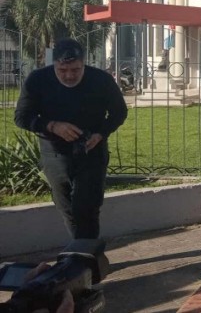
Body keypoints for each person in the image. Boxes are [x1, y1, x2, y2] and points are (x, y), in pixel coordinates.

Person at [14, 39, 128, 239]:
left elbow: (119, 112)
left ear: (84, 63)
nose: (69, 75)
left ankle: (86, 259)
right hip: (54, 153)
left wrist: (101, 133)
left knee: (88, 208)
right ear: (54, 64)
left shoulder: (101, 80)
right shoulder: (37, 80)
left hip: (91, 151)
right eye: (62, 70)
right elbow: (22, 117)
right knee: (66, 208)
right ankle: (80, 253)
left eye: (75, 69)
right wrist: (52, 126)